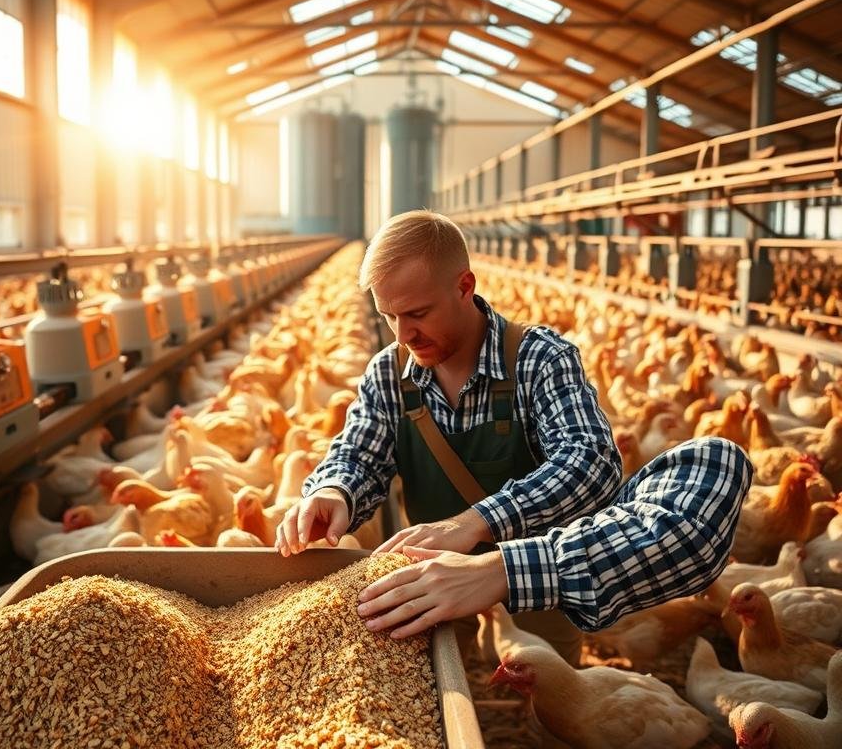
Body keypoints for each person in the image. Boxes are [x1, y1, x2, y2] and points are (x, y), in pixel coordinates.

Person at [275, 210, 752, 655]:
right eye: (388, 316)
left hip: (538, 593)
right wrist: (335, 490)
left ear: (464, 286)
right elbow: (359, 451)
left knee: (546, 706)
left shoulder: (539, 358)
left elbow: (590, 464)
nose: (402, 334)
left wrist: (473, 523)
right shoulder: (389, 373)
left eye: (417, 314)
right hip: (424, 583)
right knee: (448, 707)